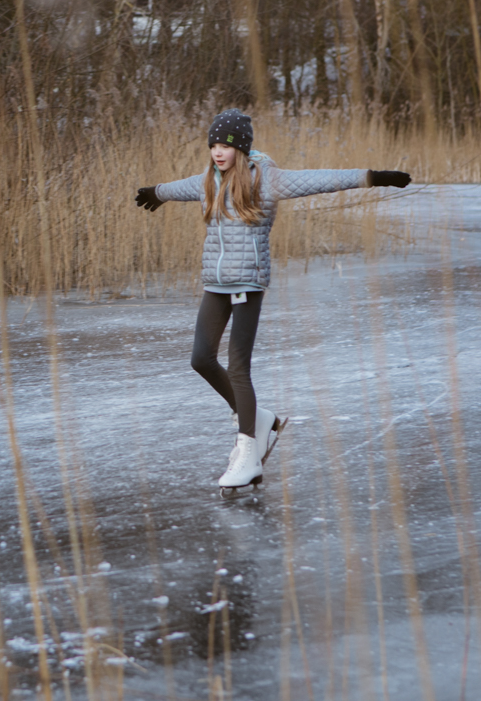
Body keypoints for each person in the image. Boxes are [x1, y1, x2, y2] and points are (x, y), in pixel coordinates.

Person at [134, 109, 410, 493]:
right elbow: (176, 187)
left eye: (226, 146)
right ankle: (259, 419)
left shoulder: (265, 181)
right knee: (201, 358)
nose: (218, 152)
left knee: (238, 367)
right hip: (215, 284)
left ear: (240, 149)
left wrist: (373, 178)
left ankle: (248, 453)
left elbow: (321, 180)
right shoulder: (207, 182)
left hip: (249, 283)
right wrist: (157, 192)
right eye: (213, 144)